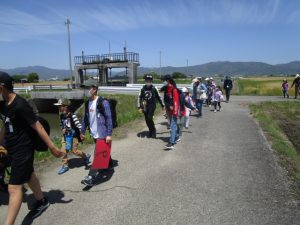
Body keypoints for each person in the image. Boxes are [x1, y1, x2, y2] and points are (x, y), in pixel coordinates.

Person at [0, 71, 64, 225]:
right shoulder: (3, 105)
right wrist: (1, 143)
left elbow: (38, 126)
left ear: (2, 87)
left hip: (23, 149)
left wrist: (52, 147)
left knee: (14, 189)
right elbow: (6, 125)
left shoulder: (21, 105)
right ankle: (42, 201)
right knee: (28, 175)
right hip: (11, 147)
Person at [80, 79, 113, 186]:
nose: (85, 90)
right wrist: (82, 131)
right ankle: (109, 165)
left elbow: (109, 118)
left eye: (87, 88)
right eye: (84, 88)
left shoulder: (103, 102)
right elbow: (85, 118)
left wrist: (109, 134)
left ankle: (91, 177)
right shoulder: (87, 103)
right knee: (103, 151)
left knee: (97, 154)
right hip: (94, 133)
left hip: (102, 134)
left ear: (94, 89)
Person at [54, 98, 90, 174]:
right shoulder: (61, 116)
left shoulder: (72, 116)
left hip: (73, 137)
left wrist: (82, 133)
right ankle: (65, 165)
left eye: (60, 106)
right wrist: (63, 128)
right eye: (58, 106)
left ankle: (85, 156)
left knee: (74, 151)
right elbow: (61, 125)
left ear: (66, 106)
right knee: (63, 150)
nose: (59, 108)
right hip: (65, 136)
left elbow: (79, 125)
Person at [138, 74, 164, 138]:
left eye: (150, 80)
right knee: (147, 119)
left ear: (152, 81)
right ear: (145, 80)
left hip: (152, 105)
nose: (148, 82)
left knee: (150, 117)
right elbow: (139, 98)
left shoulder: (154, 88)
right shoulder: (142, 88)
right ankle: (150, 130)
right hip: (145, 105)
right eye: (147, 80)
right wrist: (139, 107)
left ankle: (153, 130)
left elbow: (159, 97)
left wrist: (162, 105)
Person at [162, 75, 179, 150]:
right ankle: (176, 135)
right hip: (169, 110)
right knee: (173, 125)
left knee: (173, 126)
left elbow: (176, 101)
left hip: (174, 110)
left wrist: (175, 111)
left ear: (168, 80)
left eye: (164, 80)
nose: (163, 82)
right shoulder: (167, 89)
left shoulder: (173, 89)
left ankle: (171, 142)